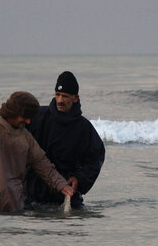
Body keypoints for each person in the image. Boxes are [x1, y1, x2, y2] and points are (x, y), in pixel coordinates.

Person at [24, 71, 105, 209]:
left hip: (64, 194)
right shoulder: (38, 116)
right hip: (32, 193)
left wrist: (79, 178)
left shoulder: (84, 128)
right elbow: (11, 121)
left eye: (65, 96)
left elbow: (96, 157)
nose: (60, 100)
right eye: (58, 95)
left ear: (75, 98)